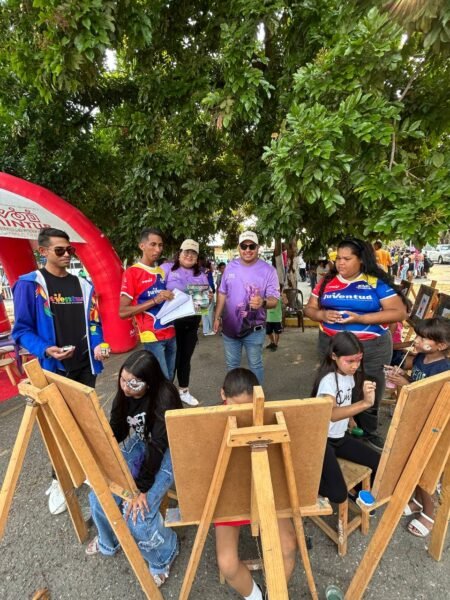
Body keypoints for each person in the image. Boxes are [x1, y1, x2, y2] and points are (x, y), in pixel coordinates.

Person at [12, 227, 108, 515]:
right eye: (60, 250)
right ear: (42, 252)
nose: (67, 255)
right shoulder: (29, 285)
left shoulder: (83, 285)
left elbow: (94, 322)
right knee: (59, 427)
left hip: (85, 366)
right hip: (53, 369)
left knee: (86, 421)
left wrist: (98, 345)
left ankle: (86, 469)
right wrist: (46, 349)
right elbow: (22, 331)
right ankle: (59, 480)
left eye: (70, 250)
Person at [86, 350, 182, 587]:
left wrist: (140, 490)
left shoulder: (165, 396)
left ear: (149, 383)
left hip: (168, 450)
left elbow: (158, 447)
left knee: (137, 516)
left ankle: (165, 554)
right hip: (141, 442)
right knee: (99, 496)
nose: (126, 387)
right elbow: (118, 430)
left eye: (134, 383)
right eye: (123, 379)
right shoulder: (124, 393)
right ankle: (110, 540)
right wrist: (98, 443)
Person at [304, 237, 408, 451]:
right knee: (332, 385)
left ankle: (367, 432)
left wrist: (361, 318)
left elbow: (399, 312)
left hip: (371, 347)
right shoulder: (326, 282)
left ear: (361, 259)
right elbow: (309, 309)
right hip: (333, 346)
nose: (340, 263)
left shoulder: (375, 282)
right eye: (338, 258)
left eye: (347, 259)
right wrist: (322, 314)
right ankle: (331, 432)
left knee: (369, 386)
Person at [216, 368, 297, 600]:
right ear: (223, 395)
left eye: (248, 407)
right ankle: (255, 596)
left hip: (267, 486)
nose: (243, 414)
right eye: (236, 407)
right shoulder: (210, 421)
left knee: (288, 546)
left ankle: (274, 594)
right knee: (227, 563)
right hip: (228, 494)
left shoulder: (271, 416)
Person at [385, 317, 450, 537]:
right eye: (418, 335)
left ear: (441, 345)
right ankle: (417, 502)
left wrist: (406, 383)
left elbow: (432, 400)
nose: (417, 340)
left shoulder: (444, 369)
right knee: (411, 465)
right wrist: (401, 375)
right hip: (415, 422)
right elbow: (415, 381)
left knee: (424, 472)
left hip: (430, 427)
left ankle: (430, 514)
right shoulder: (422, 357)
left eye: (423, 338)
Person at [312, 332, 380, 503]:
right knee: (337, 495)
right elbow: (332, 414)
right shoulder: (328, 381)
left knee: (378, 462)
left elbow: (345, 402)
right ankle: (305, 479)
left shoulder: (348, 375)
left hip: (340, 437)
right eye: (350, 361)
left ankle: (357, 493)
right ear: (334, 356)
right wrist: (365, 403)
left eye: (358, 360)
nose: (355, 366)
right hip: (322, 441)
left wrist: (350, 420)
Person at [213, 231, 280, 384]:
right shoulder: (230, 267)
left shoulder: (269, 270)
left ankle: (257, 397)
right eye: (244, 246)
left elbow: (274, 300)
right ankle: (234, 396)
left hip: (254, 329)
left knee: (255, 365)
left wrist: (263, 302)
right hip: (230, 328)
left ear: (258, 248)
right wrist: (216, 317)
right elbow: (222, 293)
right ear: (239, 248)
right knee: (232, 366)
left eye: (252, 246)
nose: (248, 250)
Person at [119, 228, 176, 380]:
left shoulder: (161, 272)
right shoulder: (132, 272)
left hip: (170, 331)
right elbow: (123, 312)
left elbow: (164, 301)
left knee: (170, 377)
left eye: (160, 245)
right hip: (151, 336)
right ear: (142, 246)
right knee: (161, 380)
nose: (158, 249)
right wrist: (155, 300)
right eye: (153, 244)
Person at [162, 239, 210, 406]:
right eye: (186, 252)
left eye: (193, 253)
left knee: (185, 359)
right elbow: (155, 292)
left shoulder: (201, 275)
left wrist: (207, 299)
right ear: (179, 253)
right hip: (170, 324)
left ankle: (183, 391)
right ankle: (165, 394)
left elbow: (201, 305)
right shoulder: (166, 269)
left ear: (197, 258)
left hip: (191, 324)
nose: (189, 255)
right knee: (170, 360)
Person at [202, 260, 216, 336]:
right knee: (210, 311)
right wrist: (213, 290)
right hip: (208, 290)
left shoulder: (199, 270)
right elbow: (210, 282)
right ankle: (210, 329)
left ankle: (205, 330)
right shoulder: (208, 271)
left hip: (200, 291)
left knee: (203, 312)